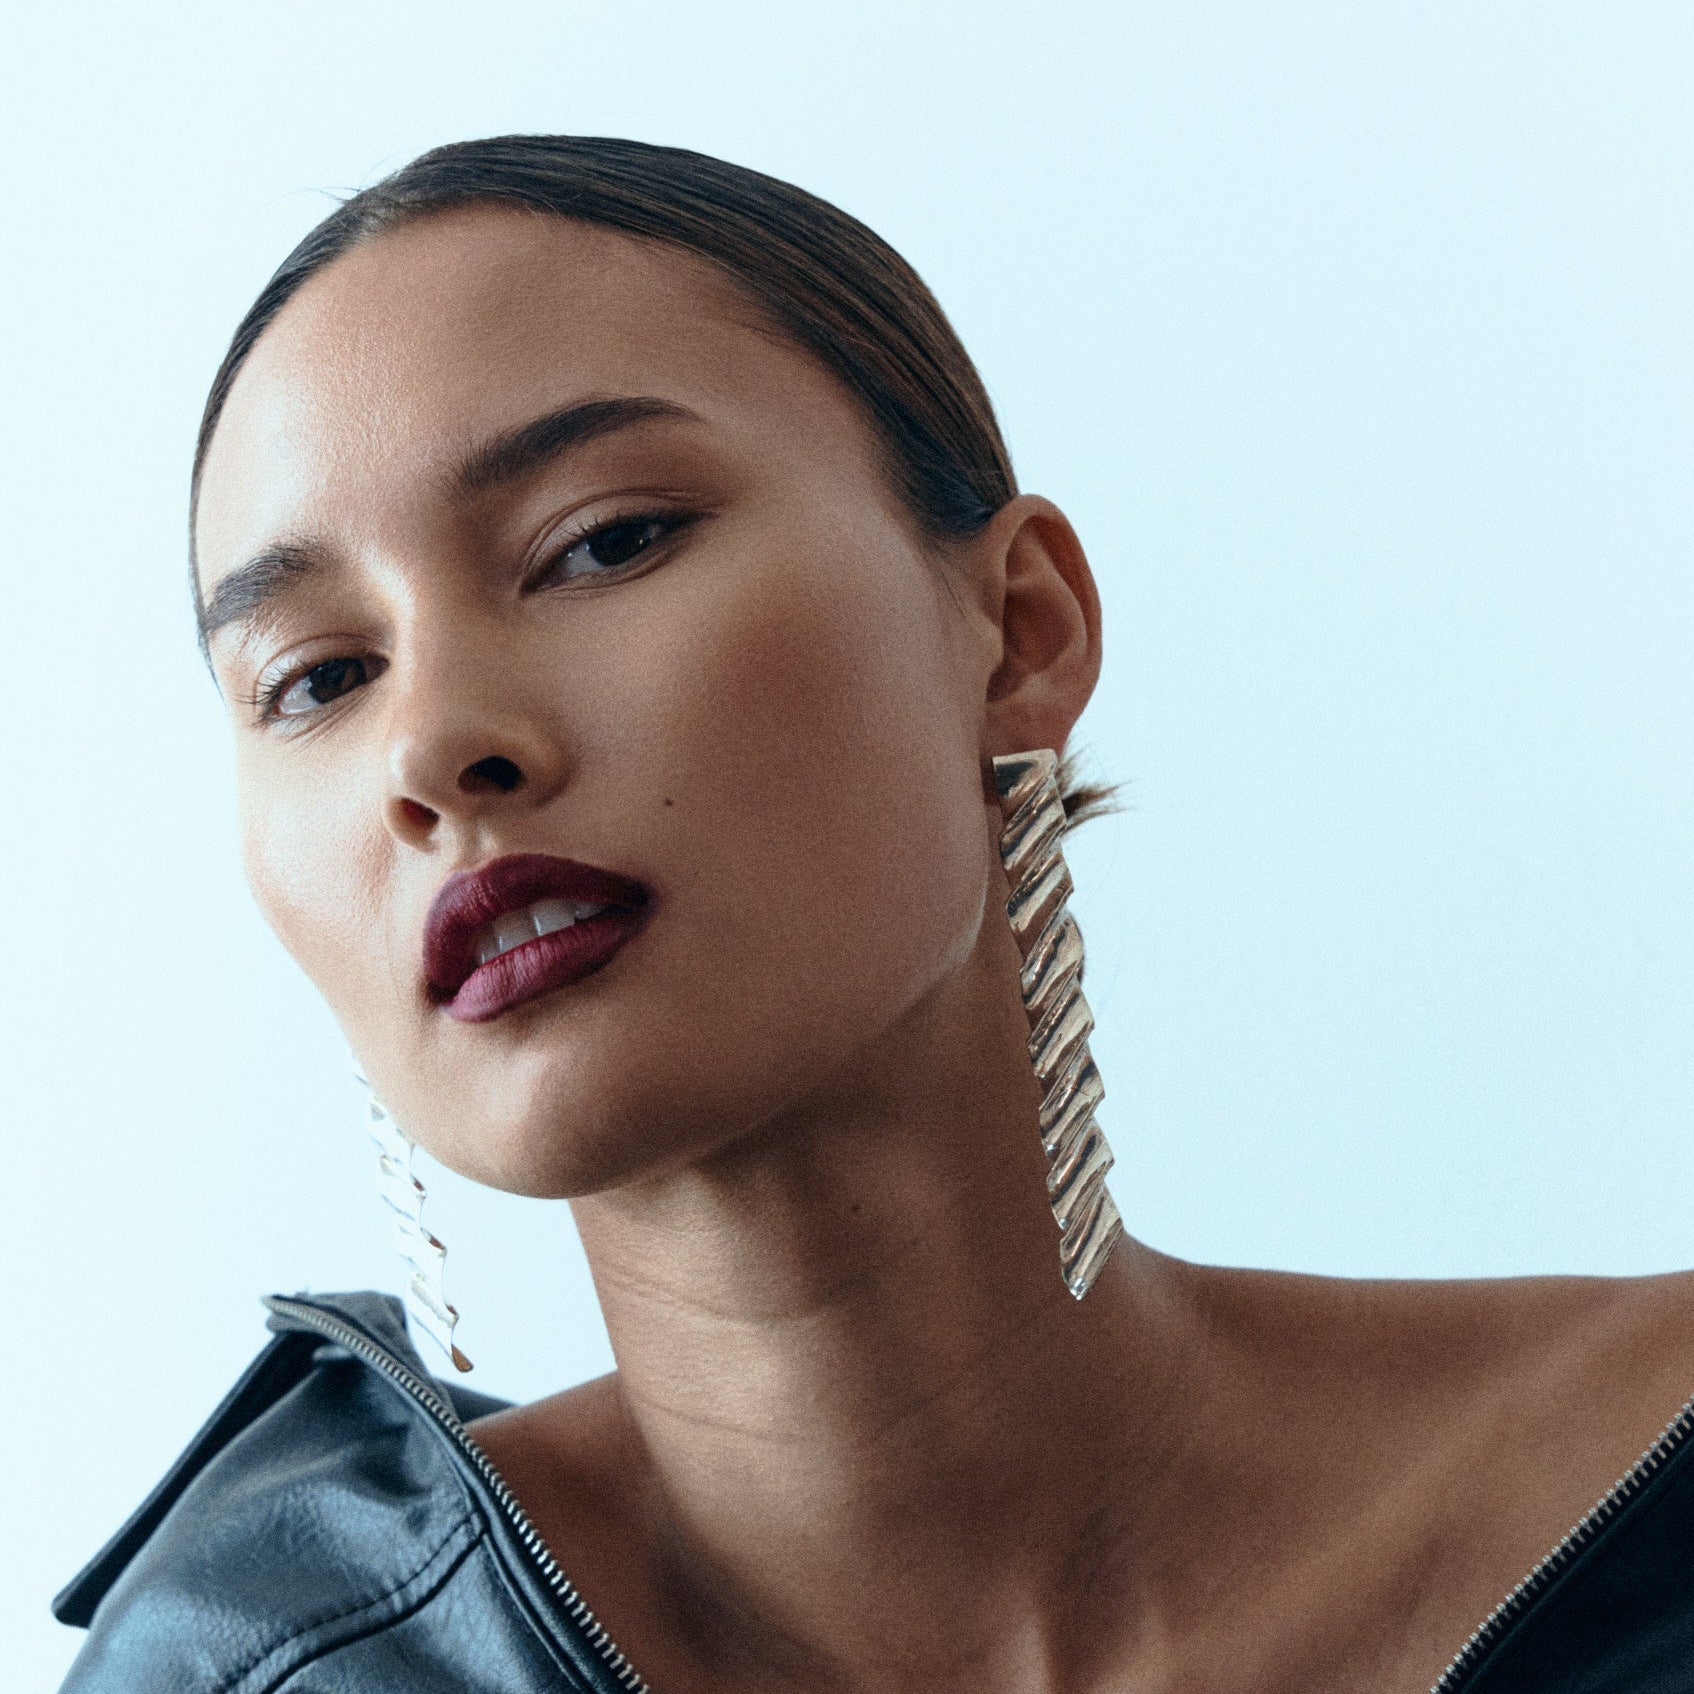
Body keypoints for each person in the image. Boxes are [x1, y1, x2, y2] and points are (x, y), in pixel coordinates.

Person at [51, 135, 1694, 1694]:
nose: (431, 746)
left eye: (605, 542)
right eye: (319, 678)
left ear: (1021, 629)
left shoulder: (1654, 1477)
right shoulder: (273, 1661)